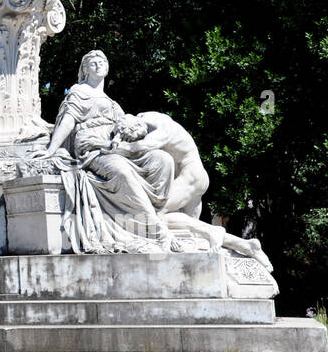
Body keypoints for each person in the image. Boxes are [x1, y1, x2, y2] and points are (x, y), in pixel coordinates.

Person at [35, 50, 176, 252]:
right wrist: (50, 150)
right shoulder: (78, 92)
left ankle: (153, 214)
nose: (98, 65)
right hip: (92, 147)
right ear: (84, 69)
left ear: (107, 67)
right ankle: (155, 230)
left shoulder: (111, 102)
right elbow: (67, 123)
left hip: (116, 146)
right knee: (121, 172)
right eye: (93, 63)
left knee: (163, 160)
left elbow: (129, 127)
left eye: (102, 62)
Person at [115, 113, 273, 269]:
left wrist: (113, 149)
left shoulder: (163, 129)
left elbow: (143, 146)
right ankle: (246, 245)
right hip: (195, 177)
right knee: (192, 234)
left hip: (189, 178)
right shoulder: (150, 117)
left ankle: (213, 231)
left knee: (153, 217)